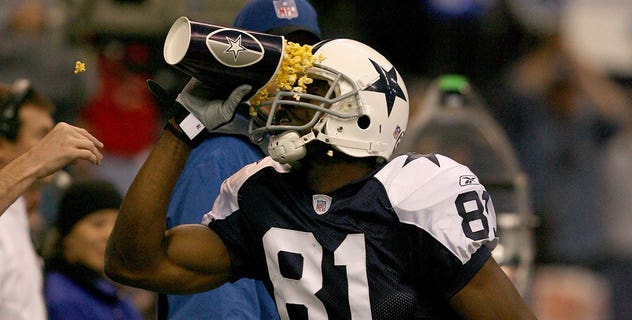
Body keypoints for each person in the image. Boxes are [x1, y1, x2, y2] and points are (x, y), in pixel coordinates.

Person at [105, 38, 536, 319]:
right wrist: (182, 127)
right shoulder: (261, 193)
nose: (287, 101)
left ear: (363, 114)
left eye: (311, 91)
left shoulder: (416, 195)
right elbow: (136, 263)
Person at [157, 1, 322, 319]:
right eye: (277, 57)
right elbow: (214, 308)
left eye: (301, 55)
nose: (292, 74)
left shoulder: (313, 160)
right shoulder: (221, 157)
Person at [0, 79, 103, 320]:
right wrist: (34, 162)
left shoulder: (17, 214)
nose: (53, 145)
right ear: (2, 144)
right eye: (41, 136)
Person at [44, 180, 142, 320]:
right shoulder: (63, 299)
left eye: (117, 224)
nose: (109, 235)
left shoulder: (108, 292)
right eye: (97, 224)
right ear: (68, 235)